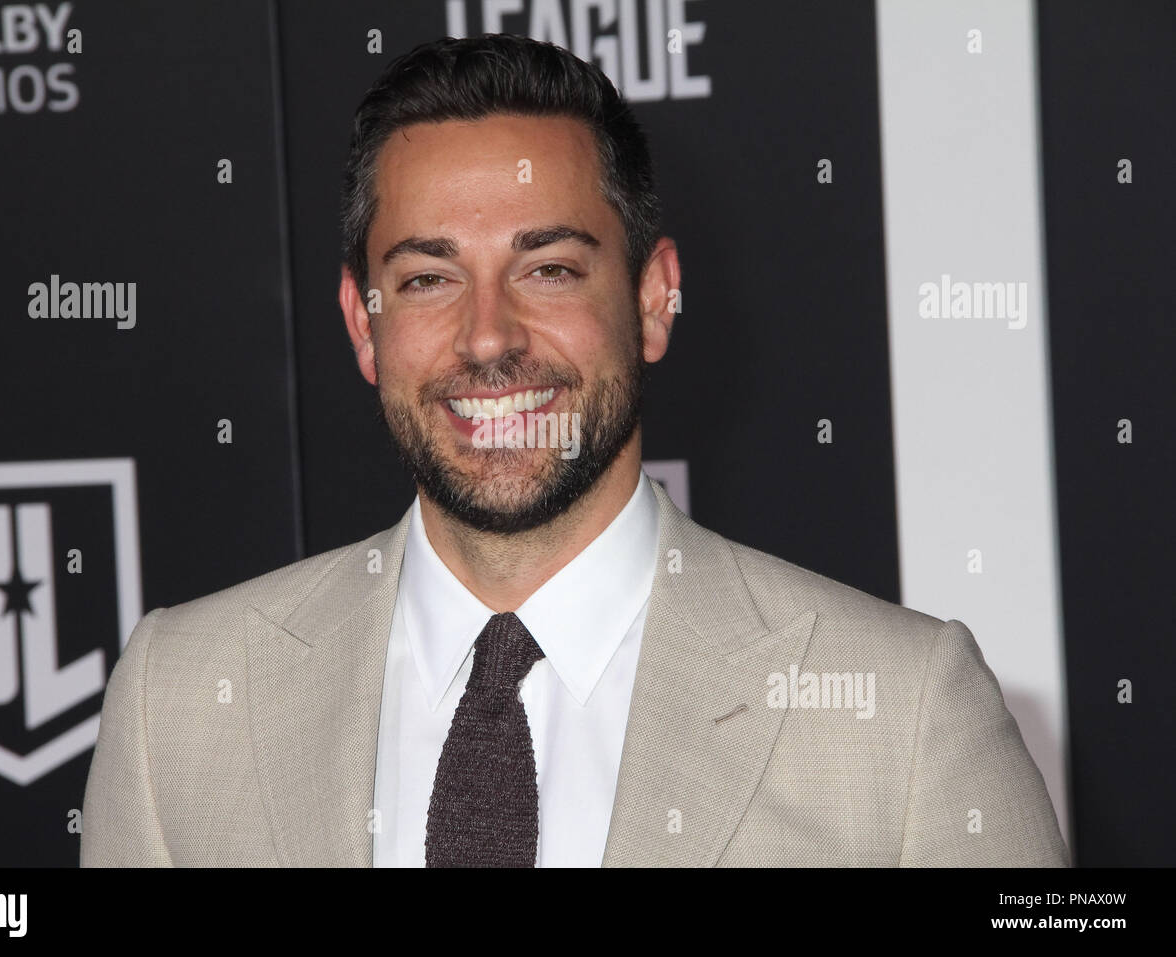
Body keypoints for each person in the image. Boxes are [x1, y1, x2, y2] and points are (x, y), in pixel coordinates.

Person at [81, 33, 1067, 867]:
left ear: (651, 299)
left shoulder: (900, 717)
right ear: (362, 321)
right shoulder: (178, 707)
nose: (487, 339)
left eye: (548, 269)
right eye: (428, 279)